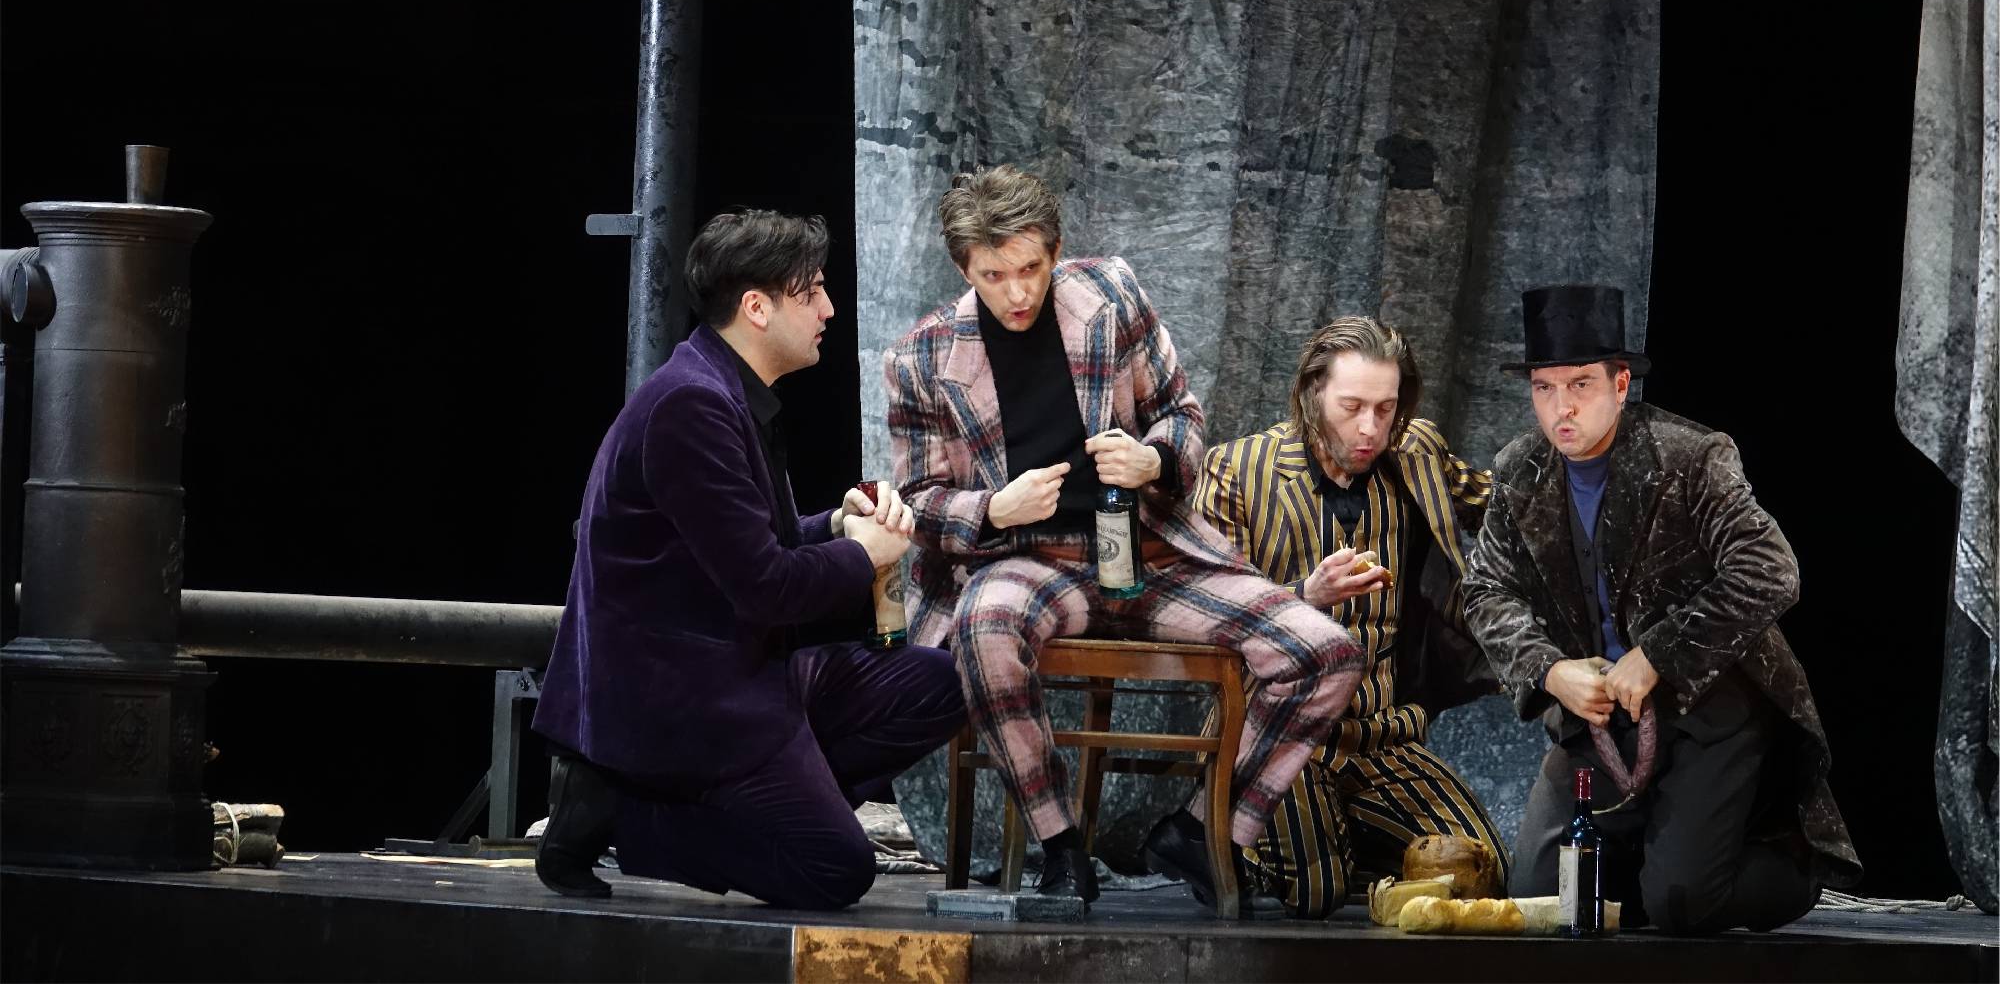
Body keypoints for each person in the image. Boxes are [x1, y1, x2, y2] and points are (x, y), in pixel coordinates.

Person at [883, 165, 1362, 914]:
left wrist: (1155, 459)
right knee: (986, 624)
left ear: (1056, 249)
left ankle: (1206, 832)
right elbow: (916, 504)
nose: (1017, 292)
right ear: (964, 269)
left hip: (1145, 551)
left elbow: (1182, 415)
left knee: (1325, 652)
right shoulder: (921, 358)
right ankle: (1059, 847)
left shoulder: (1110, 295)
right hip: (1027, 560)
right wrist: (995, 508)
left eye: (1031, 268)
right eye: (994, 276)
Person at [532, 209, 965, 910]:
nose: (828, 308)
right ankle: (622, 813)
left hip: (748, 671)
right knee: (835, 869)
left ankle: (771, 802)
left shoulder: (722, 388)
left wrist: (836, 524)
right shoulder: (691, 407)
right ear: (757, 307)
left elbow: (751, 543)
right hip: (686, 701)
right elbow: (766, 586)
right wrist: (863, 554)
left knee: (939, 680)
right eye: (812, 292)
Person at [1462, 284, 1860, 934]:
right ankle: (1655, 861)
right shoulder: (1520, 470)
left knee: (1680, 904)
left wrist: (1659, 654)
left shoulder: (1689, 457)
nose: (1562, 407)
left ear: (1621, 384)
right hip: (1599, 717)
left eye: (1581, 384)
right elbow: (1484, 589)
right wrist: (1550, 670)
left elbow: (1770, 569)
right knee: (1546, 895)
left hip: (1707, 709)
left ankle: (1791, 866)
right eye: (1544, 388)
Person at [1194, 317, 1509, 917]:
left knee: (1482, 872)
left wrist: (1581, 457)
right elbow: (1206, 608)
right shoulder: (1238, 469)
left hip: (1384, 735)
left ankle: (1340, 843)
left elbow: (1505, 502)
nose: (1370, 428)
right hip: (1281, 732)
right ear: (1313, 394)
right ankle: (1236, 841)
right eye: (1351, 407)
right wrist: (1303, 596)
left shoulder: (1415, 455)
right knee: (1315, 892)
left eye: (1385, 409)